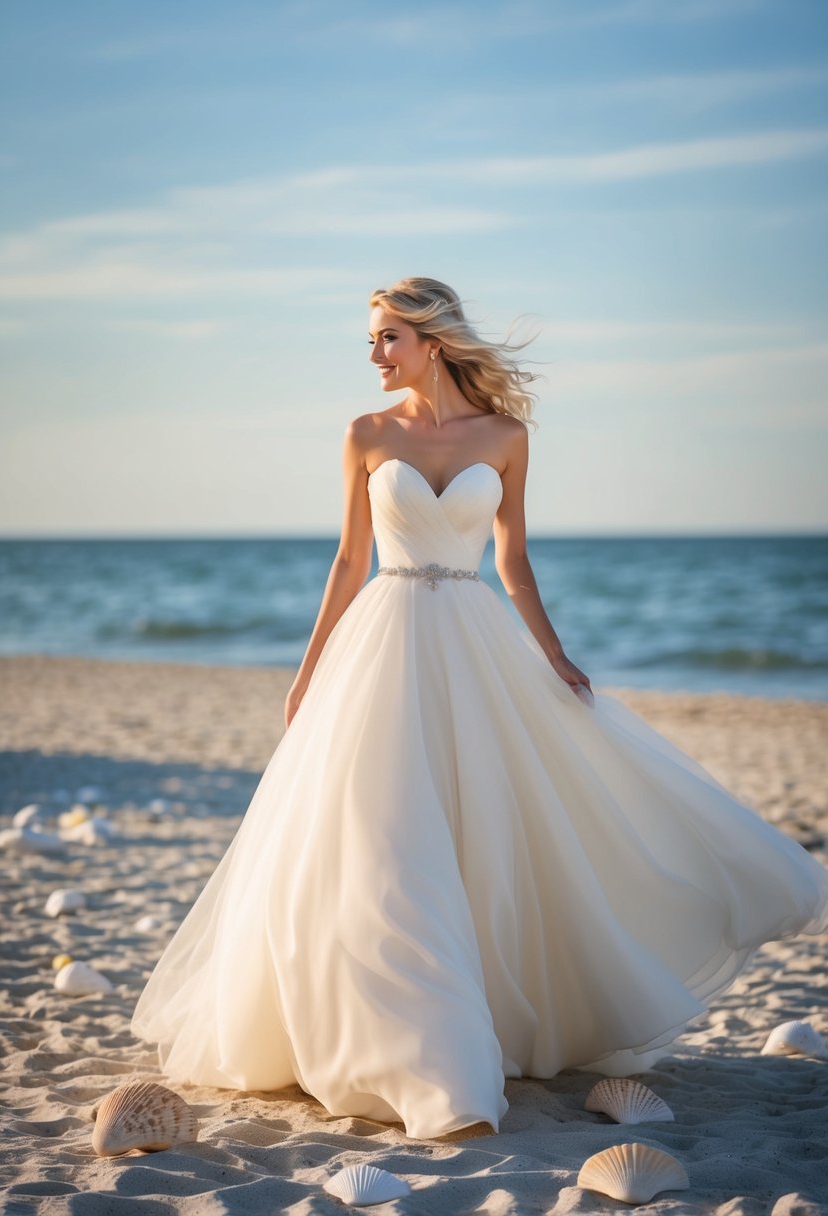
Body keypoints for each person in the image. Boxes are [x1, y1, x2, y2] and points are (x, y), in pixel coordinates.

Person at [130, 276, 828, 1141]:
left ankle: (482, 1023)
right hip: (382, 644)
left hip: (473, 638)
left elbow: (514, 562)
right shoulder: (363, 434)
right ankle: (408, 1044)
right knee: (383, 837)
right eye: (371, 341)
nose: (377, 355)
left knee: (493, 827)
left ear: (431, 340)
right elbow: (348, 564)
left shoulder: (505, 437)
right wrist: (306, 672)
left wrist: (554, 654)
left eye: (388, 338)